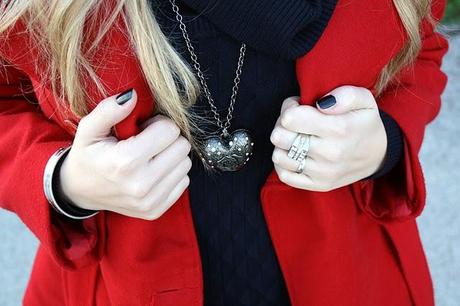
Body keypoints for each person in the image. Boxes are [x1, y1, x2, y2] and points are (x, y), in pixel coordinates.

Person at [0, 0, 448, 305]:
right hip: (123, 284)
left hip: (352, 275)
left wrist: (383, 142)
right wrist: (64, 180)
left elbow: (420, 48)